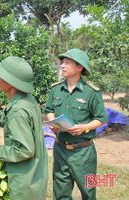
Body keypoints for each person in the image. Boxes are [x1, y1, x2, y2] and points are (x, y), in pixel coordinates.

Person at [0, 56, 48, 200]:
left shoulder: (17, 111)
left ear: (11, 83)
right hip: (35, 176)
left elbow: (24, 150)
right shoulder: (28, 101)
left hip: (23, 182)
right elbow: (13, 125)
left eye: (1, 77)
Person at [45, 48, 108, 200]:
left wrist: (85, 127)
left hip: (83, 152)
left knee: (88, 192)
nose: (62, 66)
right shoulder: (56, 89)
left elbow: (101, 118)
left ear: (79, 67)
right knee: (61, 193)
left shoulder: (91, 92)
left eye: (67, 63)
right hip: (60, 149)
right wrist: (53, 122)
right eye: (62, 62)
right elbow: (49, 109)